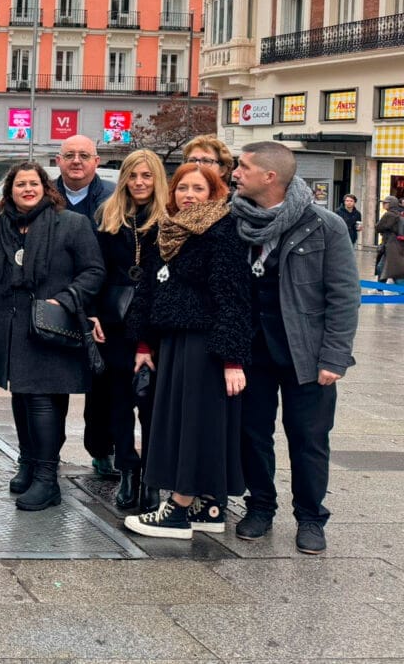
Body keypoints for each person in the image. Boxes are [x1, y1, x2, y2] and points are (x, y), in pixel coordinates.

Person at [231, 141, 360, 554]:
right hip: (252, 352)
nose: (235, 173)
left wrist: (335, 357)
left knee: (308, 438)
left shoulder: (324, 225)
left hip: (307, 353)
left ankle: (310, 516)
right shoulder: (234, 221)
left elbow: (343, 295)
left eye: (243, 167)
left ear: (270, 177)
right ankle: (260, 507)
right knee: (252, 434)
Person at [122, 163, 252, 541]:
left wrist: (232, 360)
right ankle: (207, 507)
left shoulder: (221, 231)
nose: (189, 195)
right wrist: (144, 343)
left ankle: (177, 510)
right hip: (175, 342)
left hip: (206, 345)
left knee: (197, 426)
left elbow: (232, 298)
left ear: (214, 194)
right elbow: (149, 289)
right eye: (182, 188)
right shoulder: (168, 229)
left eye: (199, 188)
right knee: (184, 423)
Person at [0, 161, 105, 512]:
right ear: (10, 191)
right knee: (22, 399)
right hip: (13, 325)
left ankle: (47, 479)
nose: (27, 189)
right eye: (20, 184)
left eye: (33, 183)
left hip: (50, 324)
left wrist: (66, 299)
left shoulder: (70, 223)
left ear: (45, 187)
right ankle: (28, 463)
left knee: (42, 400)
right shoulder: (4, 226)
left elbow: (94, 270)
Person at [89, 150, 168, 514]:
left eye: (146, 176)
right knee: (118, 403)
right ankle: (128, 469)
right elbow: (95, 270)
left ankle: (153, 474)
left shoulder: (170, 221)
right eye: (133, 175)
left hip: (156, 323)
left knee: (152, 405)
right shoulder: (107, 216)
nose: (139, 182)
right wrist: (93, 315)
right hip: (114, 323)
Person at [53, 135, 115, 480]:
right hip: (56, 303)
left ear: (97, 161)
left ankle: (101, 450)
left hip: (102, 307)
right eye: (70, 155)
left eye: (84, 156)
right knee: (52, 384)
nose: (77, 161)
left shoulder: (112, 198)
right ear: (58, 160)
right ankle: (45, 454)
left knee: (102, 386)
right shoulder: (43, 195)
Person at [377, 197, 404, 282]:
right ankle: (379, 288)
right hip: (397, 244)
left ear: (391, 204)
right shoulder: (399, 213)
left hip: (390, 244)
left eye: (385, 203)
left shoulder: (389, 214)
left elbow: (378, 227)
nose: (383, 204)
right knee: (388, 267)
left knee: (388, 268)